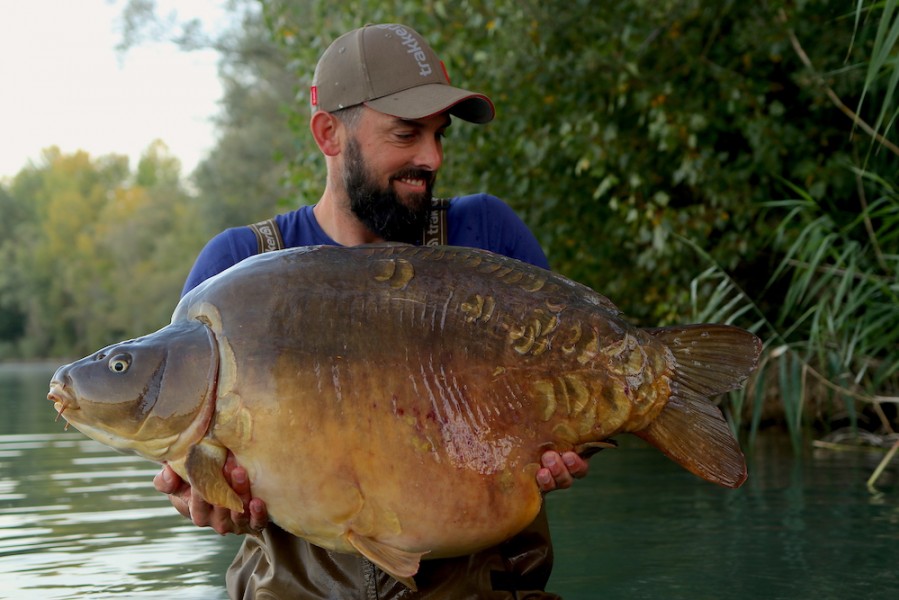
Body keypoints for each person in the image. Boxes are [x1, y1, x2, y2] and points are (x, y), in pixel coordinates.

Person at [154, 23, 590, 599]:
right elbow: (191, 477)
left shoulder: (486, 235)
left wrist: (571, 448)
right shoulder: (234, 270)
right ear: (329, 133)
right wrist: (201, 500)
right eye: (407, 134)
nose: (431, 157)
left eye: (440, 135)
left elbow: (578, 390)